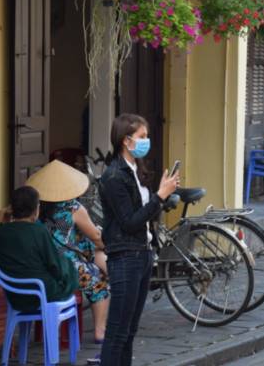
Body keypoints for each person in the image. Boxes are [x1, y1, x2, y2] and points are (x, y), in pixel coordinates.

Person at [98, 113, 178, 366]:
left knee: (129, 330)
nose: (147, 141)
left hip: (142, 253)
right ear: (126, 140)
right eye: (142, 137)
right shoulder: (114, 176)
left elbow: (143, 217)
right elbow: (129, 221)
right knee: (117, 332)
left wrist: (160, 195)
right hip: (125, 256)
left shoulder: (135, 170)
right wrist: (160, 197)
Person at [29, 160, 110, 345]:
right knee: (100, 283)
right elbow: (96, 236)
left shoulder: (35, 208)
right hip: (66, 267)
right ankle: (100, 331)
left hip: (41, 266)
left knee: (91, 253)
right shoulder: (72, 208)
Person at [0, 186, 78, 313]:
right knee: (69, 270)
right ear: (36, 209)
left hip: (14, 295)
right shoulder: (39, 231)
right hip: (42, 293)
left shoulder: (1, 231)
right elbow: (54, 265)